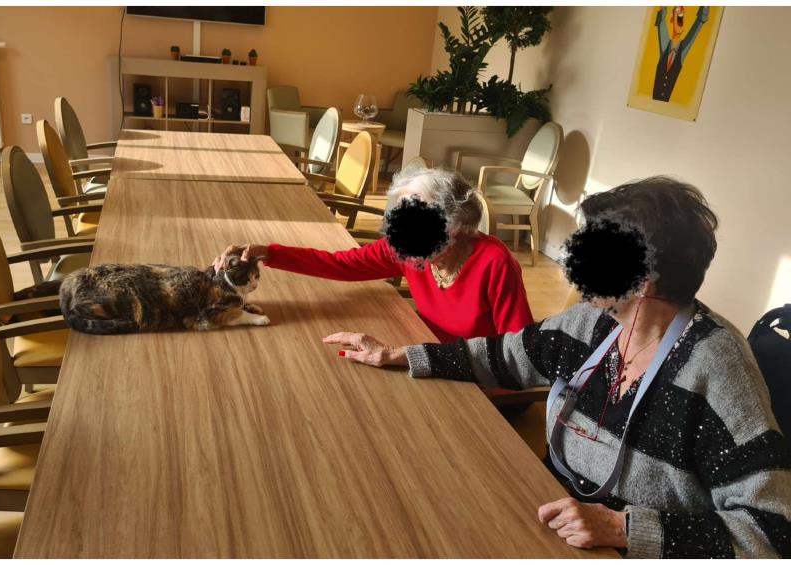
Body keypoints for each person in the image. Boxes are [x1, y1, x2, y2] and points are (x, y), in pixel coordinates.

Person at [321, 176, 791, 558]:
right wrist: (399, 354)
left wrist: (623, 528)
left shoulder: (717, 367)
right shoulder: (592, 322)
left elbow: (772, 532)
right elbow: (506, 355)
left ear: (643, 279)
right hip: (552, 507)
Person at [214, 167, 534, 344]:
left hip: (482, 383)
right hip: (428, 353)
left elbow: (521, 352)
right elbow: (339, 265)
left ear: (457, 224)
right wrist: (268, 253)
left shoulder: (495, 262)